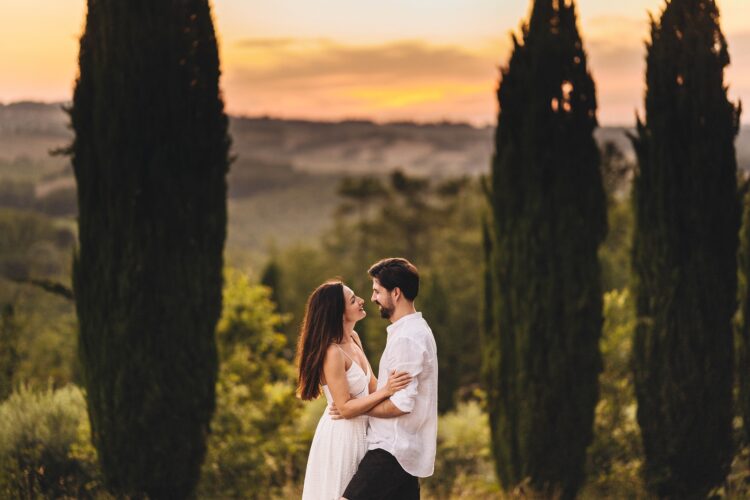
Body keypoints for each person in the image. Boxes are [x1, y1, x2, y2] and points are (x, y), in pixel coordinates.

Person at [334, 258, 438, 500]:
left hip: (391, 451)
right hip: (402, 453)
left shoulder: (407, 338)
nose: (372, 298)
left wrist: (356, 409)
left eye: (377, 291)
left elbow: (401, 404)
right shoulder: (412, 331)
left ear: (396, 293)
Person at [298, 280, 412, 500]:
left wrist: (395, 385)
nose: (362, 301)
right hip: (343, 436)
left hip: (364, 431)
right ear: (339, 313)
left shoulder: (354, 339)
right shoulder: (332, 353)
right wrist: (386, 390)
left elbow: (371, 386)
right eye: (353, 300)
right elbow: (345, 408)